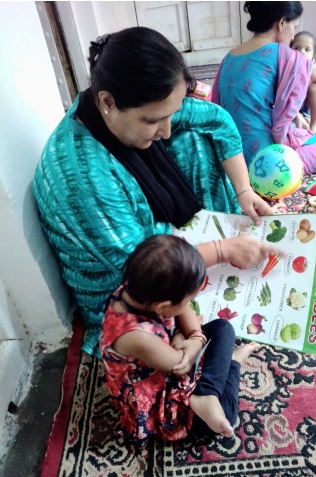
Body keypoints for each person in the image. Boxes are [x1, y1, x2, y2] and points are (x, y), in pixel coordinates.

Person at [33, 27, 277, 356]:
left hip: (155, 238)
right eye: (153, 121)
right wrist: (221, 250)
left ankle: (216, 239)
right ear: (107, 101)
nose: (165, 129)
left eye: (170, 114)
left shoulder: (121, 105)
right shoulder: (82, 178)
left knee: (193, 137)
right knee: (176, 346)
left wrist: (244, 190)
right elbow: (141, 266)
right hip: (126, 286)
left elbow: (217, 120)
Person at [101, 235, 260, 445]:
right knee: (227, 416)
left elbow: (184, 312)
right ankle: (232, 365)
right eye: (188, 300)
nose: (190, 305)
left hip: (173, 350)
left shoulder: (141, 290)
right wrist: (186, 338)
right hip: (160, 380)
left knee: (223, 327)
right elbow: (179, 364)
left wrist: (194, 335)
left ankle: (206, 394)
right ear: (163, 307)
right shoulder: (137, 337)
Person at [211, 2, 316, 174]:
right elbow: (283, 121)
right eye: (294, 27)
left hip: (229, 157)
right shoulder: (286, 56)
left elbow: (218, 105)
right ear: (281, 23)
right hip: (267, 161)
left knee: (301, 132)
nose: (293, 36)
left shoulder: (229, 56)